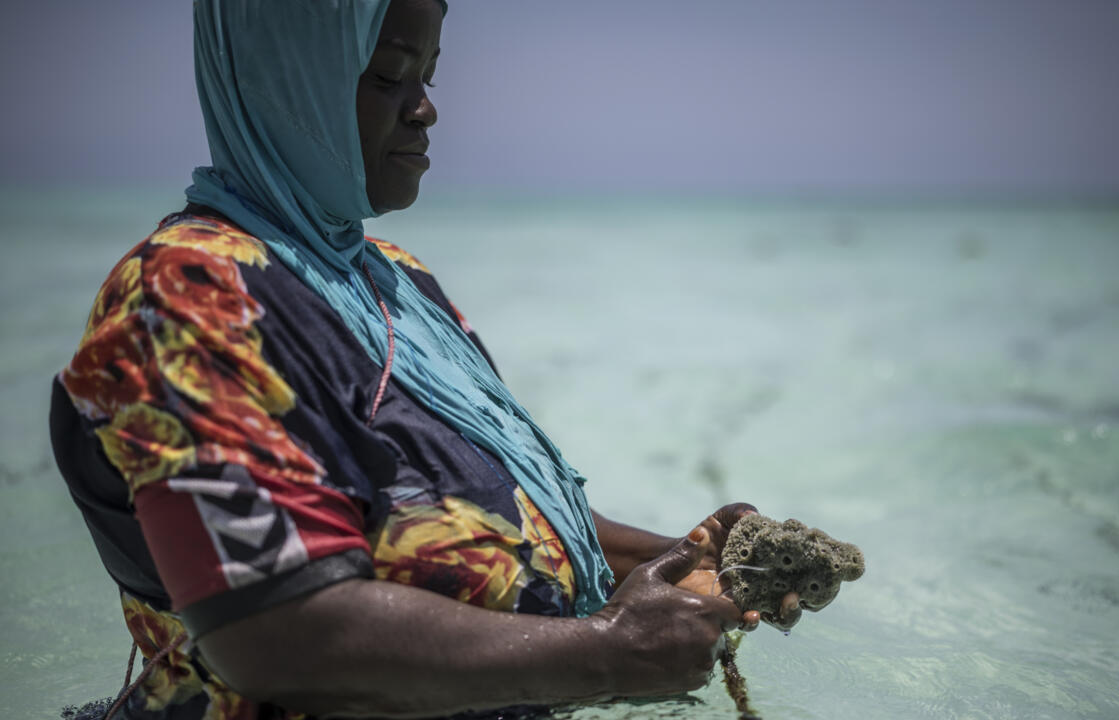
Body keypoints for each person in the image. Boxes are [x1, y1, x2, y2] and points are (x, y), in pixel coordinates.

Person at [50, 1, 802, 718]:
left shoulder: (394, 281)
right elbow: (280, 639)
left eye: (427, 76)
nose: (425, 109)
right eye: (386, 75)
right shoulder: (188, 292)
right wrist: (610, 652)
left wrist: (685, 556)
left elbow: (499, 517)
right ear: (285, 77)